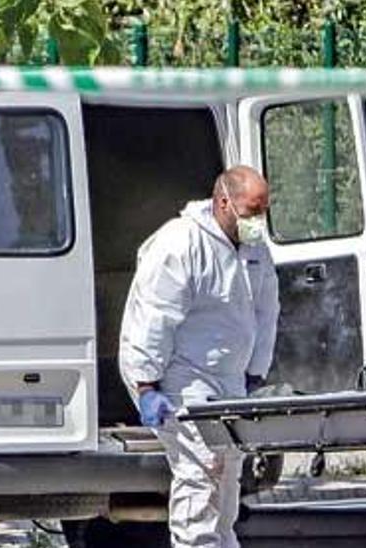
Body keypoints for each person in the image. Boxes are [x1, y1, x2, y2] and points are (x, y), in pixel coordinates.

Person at [118, 165, 280, 548]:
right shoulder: (181, 245)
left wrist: (256, 370)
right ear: (223, 202)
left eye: (263, 211)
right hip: (180, 376)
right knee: (201, 471)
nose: (257, 221)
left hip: (226, 380)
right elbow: (154, 317)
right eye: (251, 211)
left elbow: (265, 310)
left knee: (226, 481)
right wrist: (146, 385)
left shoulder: (254, 248)